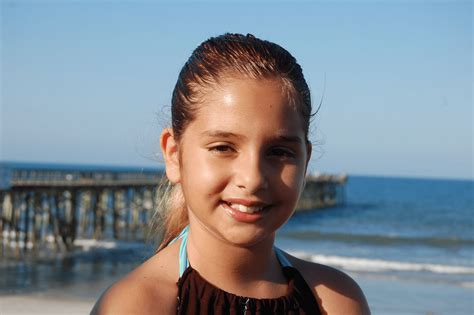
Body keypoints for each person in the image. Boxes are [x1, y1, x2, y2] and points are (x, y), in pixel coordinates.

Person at [91, 33, 370, 315]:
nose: (252, 179)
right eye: (223, 147)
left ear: (305, 161)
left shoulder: (337, 302)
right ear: (174, 155)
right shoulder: (136, 306)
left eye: (279, 152)